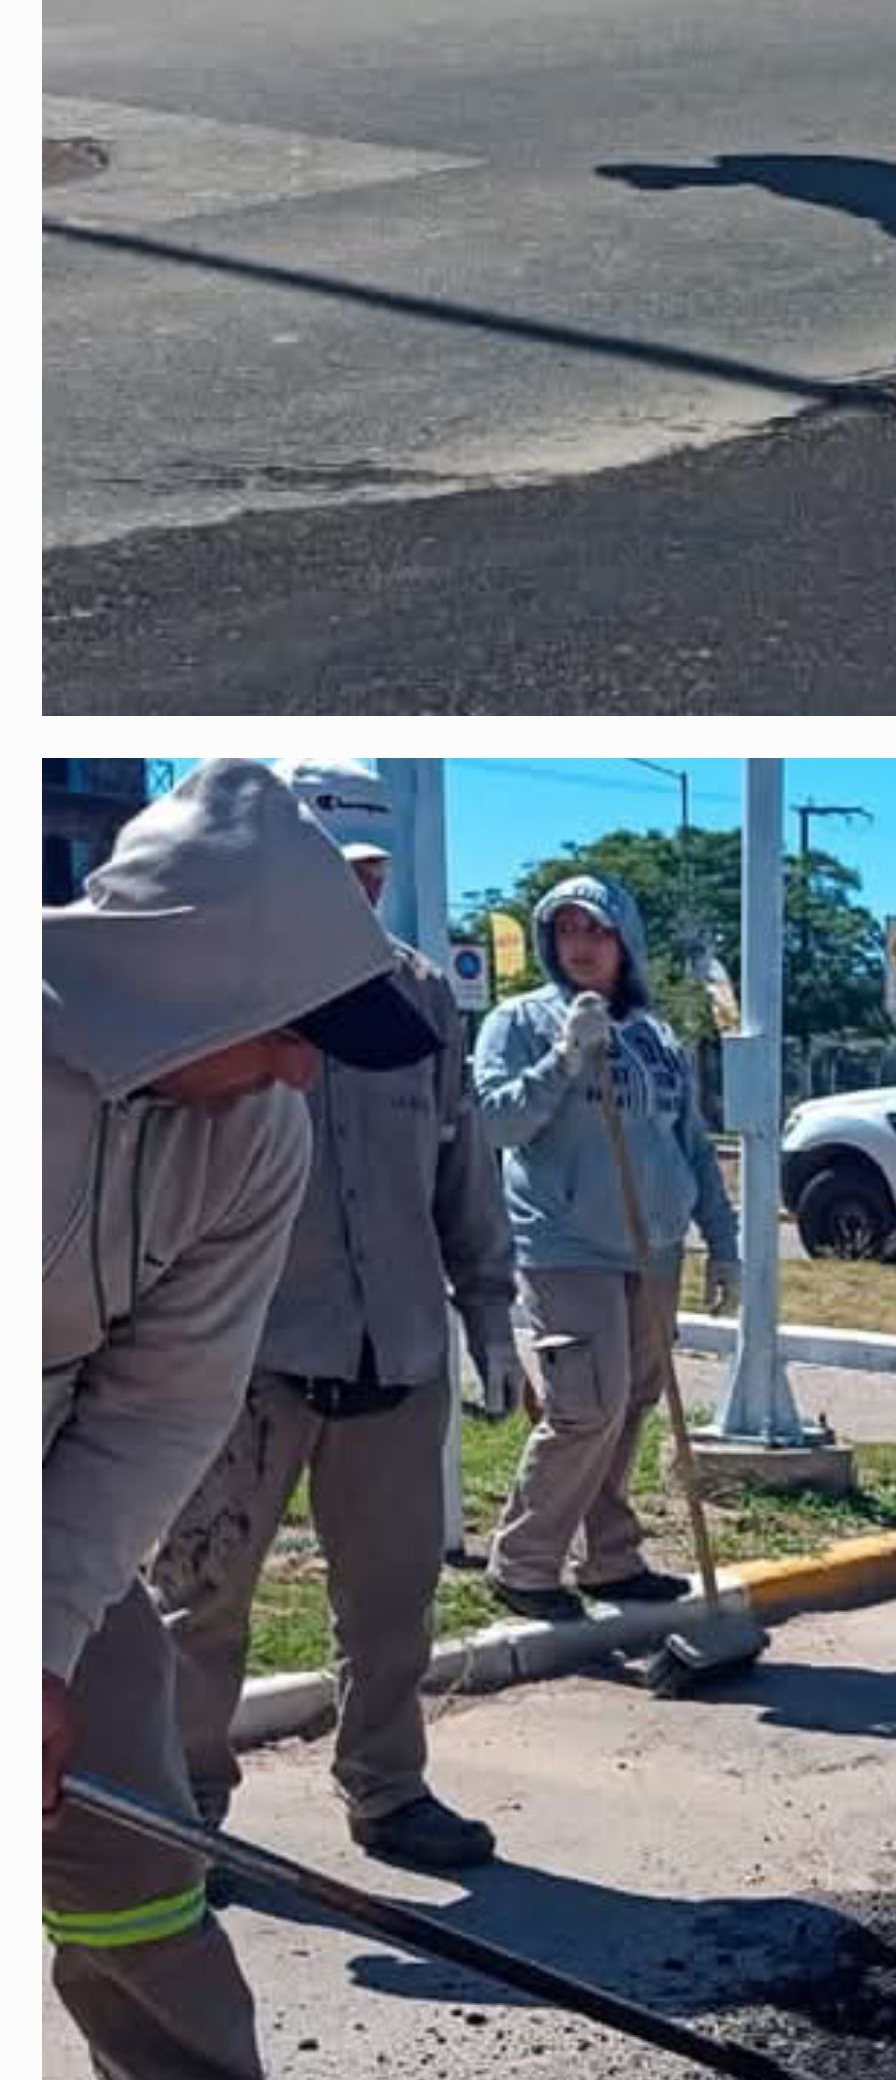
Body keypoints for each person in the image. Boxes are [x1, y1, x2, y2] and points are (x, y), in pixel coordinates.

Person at [44, 759, 439, 2080]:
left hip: (54, 1479)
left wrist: (36, 1643)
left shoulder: (256, 1134)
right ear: (186, 985)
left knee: (130, 1836)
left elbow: (157, 1407)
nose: (302, 1066)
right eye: (284, 1026)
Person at [152, 762, 521, 1882]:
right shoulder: (217, 994)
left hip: (395, 1353)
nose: (352, 895)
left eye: (367, 874)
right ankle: (182, 1812)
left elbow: (461, 1169)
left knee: (391, 1603)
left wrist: (489, 1314)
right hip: (245, 1356)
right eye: (332, 871)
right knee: (201, 1600)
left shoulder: (417, 1002)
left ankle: (389, 1791)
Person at [477, 876, 740, 1623]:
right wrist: (563, 1059)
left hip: (654, 1247)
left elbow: (689, 1143)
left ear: (625, 940)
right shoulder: (520, 1021)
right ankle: (524, 1562)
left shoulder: (655, 1036)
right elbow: (495, 1123)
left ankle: (611, 1558)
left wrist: (722, 1244)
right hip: (567, 1244)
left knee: (630, 1405)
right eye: (566, 932)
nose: (581, 946)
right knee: (585, 1407)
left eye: (595, 931)